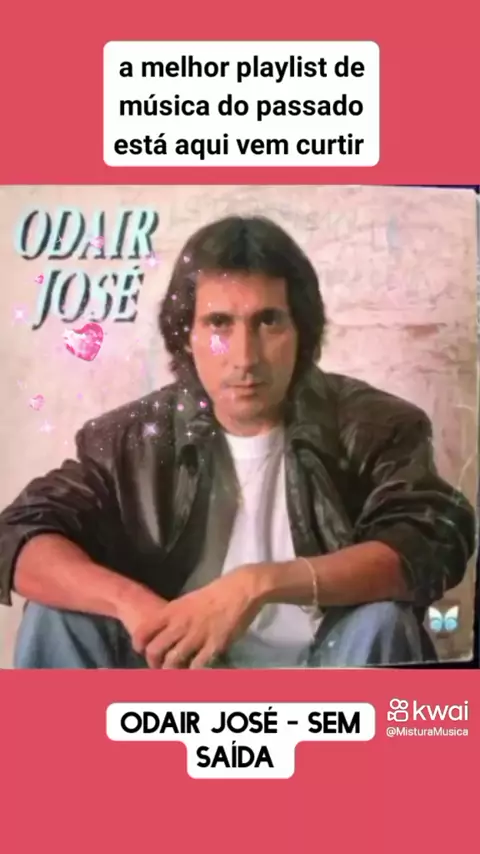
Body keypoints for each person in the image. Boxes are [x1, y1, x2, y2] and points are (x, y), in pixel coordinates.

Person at [0, 215, 475, 669]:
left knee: (383, 621)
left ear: (301, 331)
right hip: (175, 675)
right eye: (219, 324)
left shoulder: (373, 425)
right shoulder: (130, 440)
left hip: (330, 673)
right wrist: (132, 604)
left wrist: (258, 584)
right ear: (186, 336)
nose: (245, 358)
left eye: (268, 321)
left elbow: (431, 540)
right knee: (56, 615)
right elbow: (19, 534)